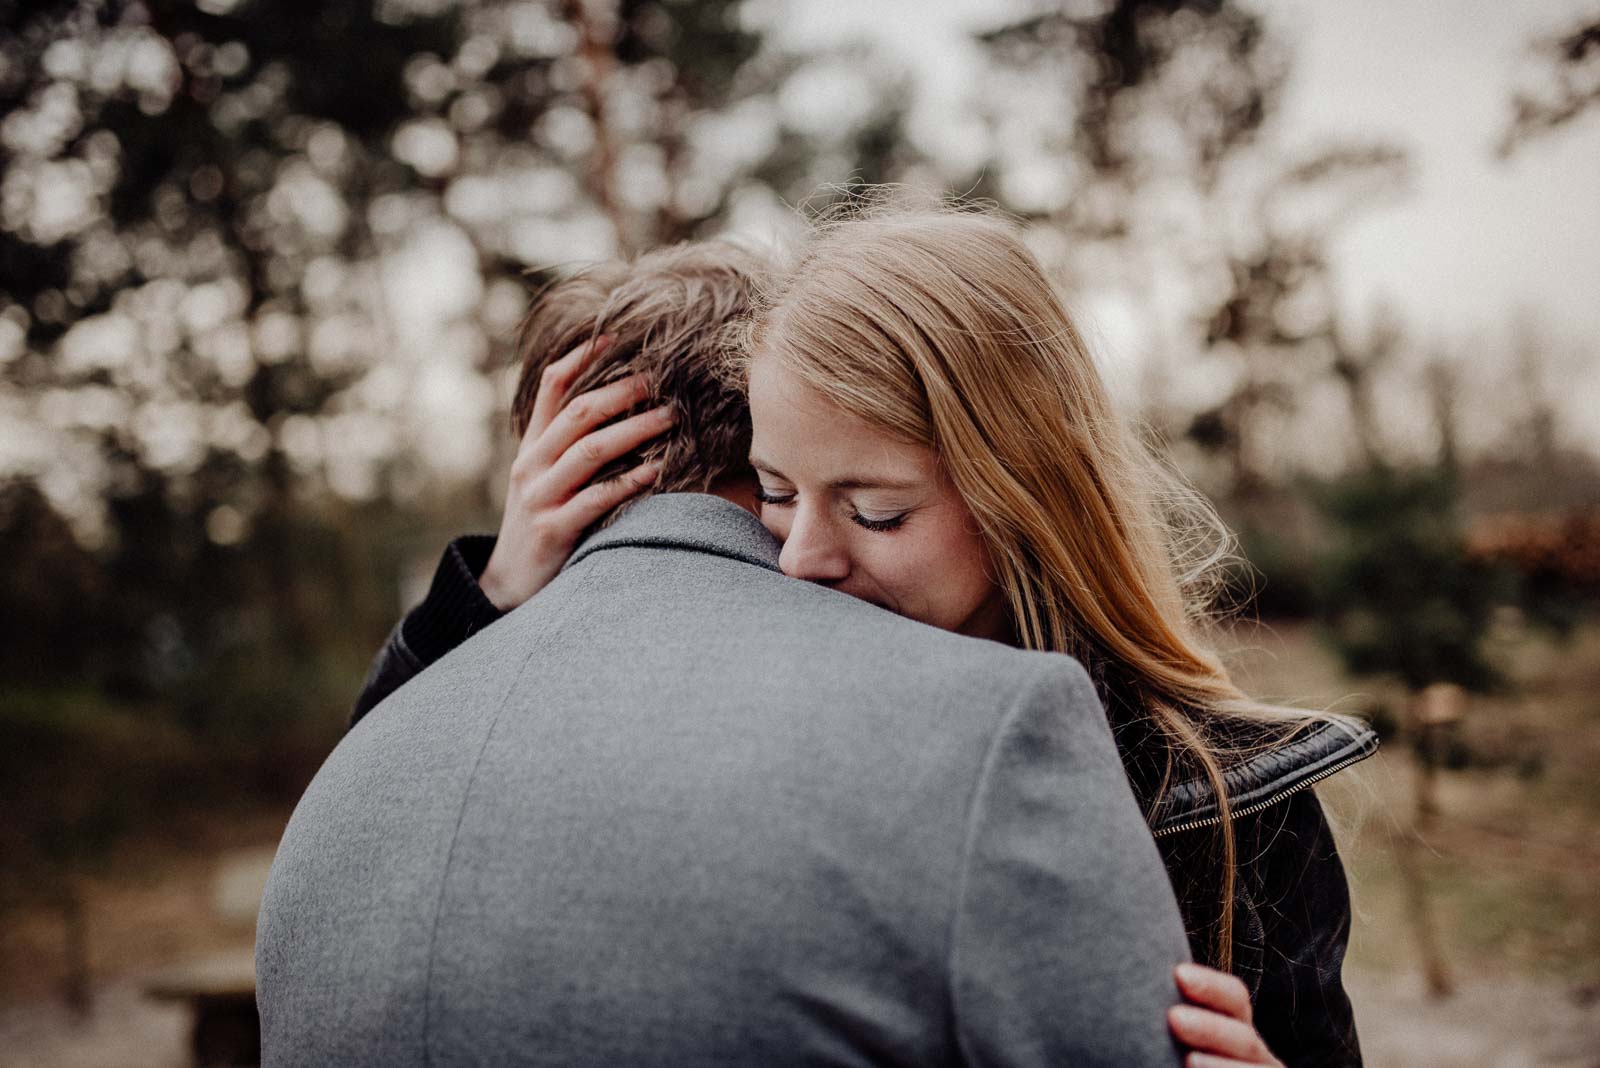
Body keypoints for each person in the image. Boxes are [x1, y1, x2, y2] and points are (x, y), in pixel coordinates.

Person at [354, 223, 1378, 1067]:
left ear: (1023, 493)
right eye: (777, 494)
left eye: (877, 512)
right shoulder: (748, 738)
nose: (800, 559)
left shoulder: (1230, 801)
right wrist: (492, 602)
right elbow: (392, 825)